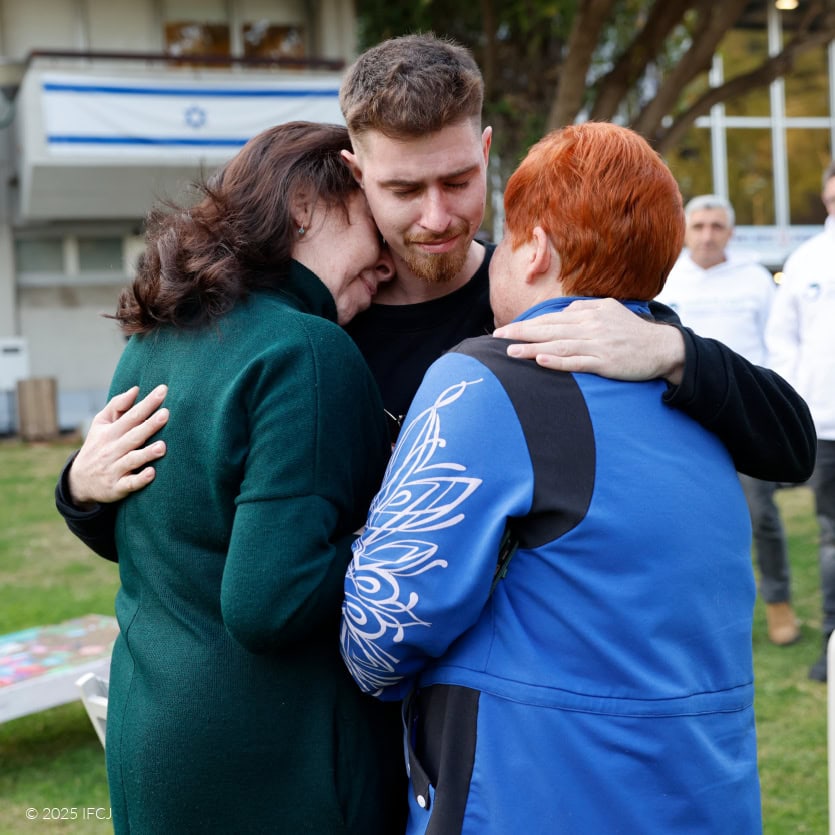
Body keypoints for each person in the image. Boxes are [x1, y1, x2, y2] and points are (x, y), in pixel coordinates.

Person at [56, 36, 815, 582]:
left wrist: (674, 352)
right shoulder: (310, 337)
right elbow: (205, 548)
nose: (437, 217)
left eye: (456, 181)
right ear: (356, 172)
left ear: (485, 151)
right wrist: (82, 492)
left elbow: (788, 447)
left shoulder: (556, 305)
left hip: (505, 720)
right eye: (403, 189)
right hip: (353, 720)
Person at [341, 121, 762, 834]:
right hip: (702, 794)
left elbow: (378, 634)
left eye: (505, 240)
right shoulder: (697, 389)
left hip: (533, 792)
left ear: (534, 249)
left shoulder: (486, 379)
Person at [79, 121, 405, 833]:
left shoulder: (155, 338)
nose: (387, 265)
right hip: (274, 764)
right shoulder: (308, 350)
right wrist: (405, 538)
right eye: (374, 232)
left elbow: (150, 530)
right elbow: (268, 602)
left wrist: (76, 492)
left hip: (151, 739)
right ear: (304, 207)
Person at [656, 194, 798, 646]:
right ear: (684, 231)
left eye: (716, 226)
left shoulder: (754, 279)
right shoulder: (666, 277)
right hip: (684, 417)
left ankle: (778, 602)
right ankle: (700, 615)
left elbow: (778, 344)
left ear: (731, 232)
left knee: (762, 516)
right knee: (686, 520)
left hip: (745, 415)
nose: (707, 235)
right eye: (698, 226)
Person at [767, 160, 835, 682]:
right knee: (831, 537)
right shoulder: (807, 260)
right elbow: (782, 339)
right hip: (828, 426)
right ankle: (832, 643)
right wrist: (802, 397)